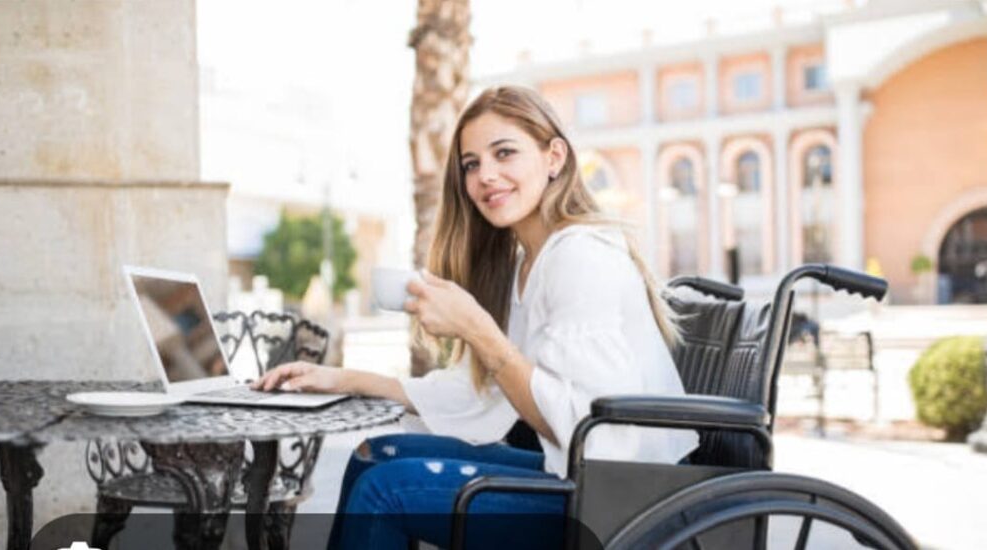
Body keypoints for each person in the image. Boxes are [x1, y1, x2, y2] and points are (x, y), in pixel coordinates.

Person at [252, 85, 699, 549]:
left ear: (554, 157)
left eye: (504, 153)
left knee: (387, 491)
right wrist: (341, 379)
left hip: (628, 500)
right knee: (375, 455)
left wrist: (477, 329)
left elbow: (583, 426)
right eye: (471, 164)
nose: (486, 175)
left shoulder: (580, 255)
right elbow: (474, 394)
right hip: (584, 475)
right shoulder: (529, 262)